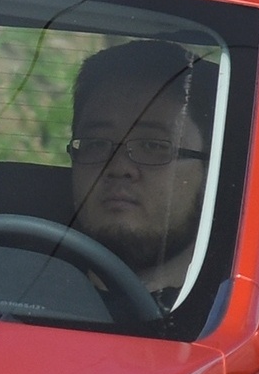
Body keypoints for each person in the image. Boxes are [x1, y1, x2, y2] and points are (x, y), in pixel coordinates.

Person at [67, 37, 215, 302]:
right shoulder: (12, 289)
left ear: (211, 169)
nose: (118, 167)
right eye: (97, 144)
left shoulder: (231, 322)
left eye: (154, 145)